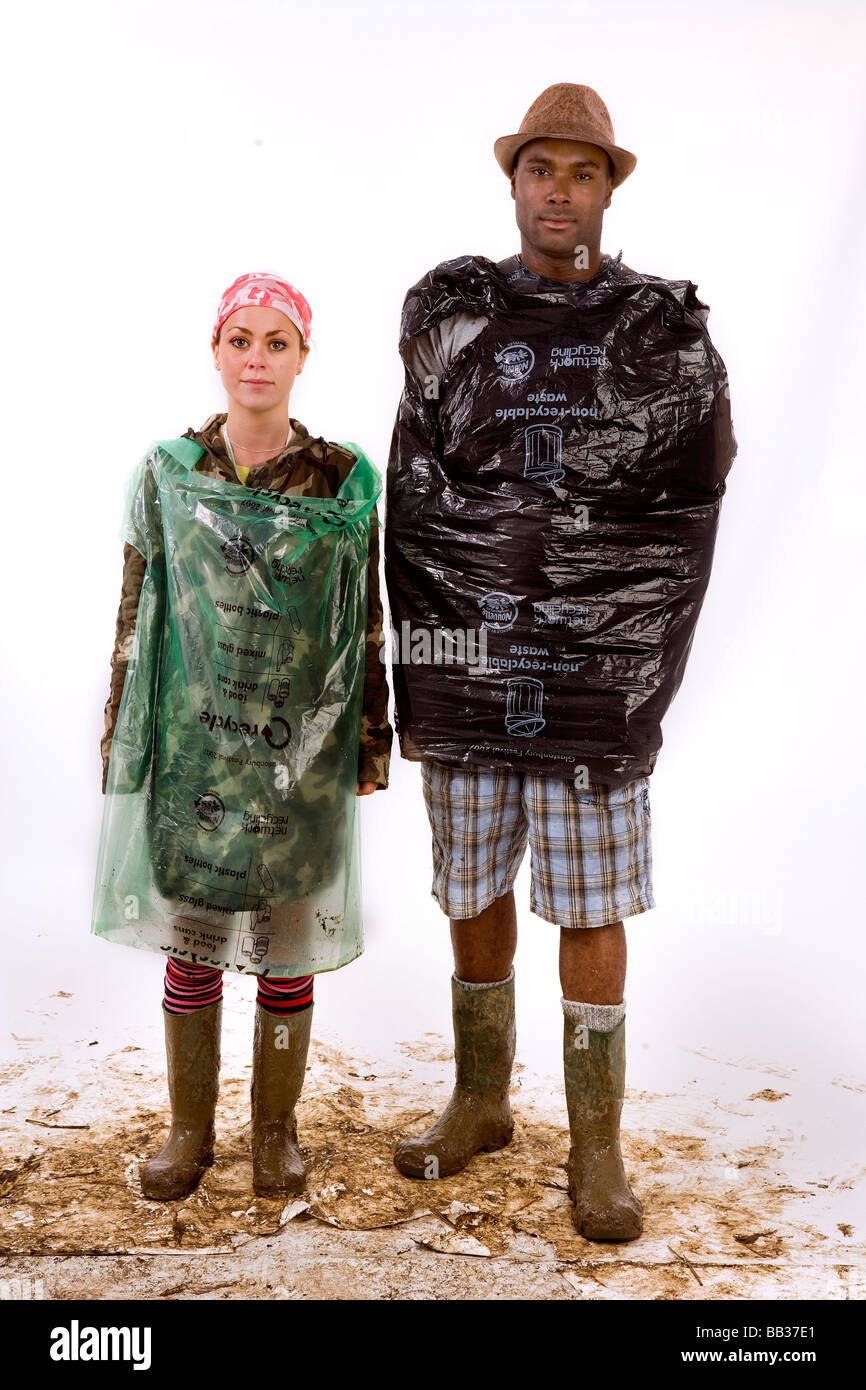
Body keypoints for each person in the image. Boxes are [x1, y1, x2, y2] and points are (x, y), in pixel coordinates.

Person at [385, 85, 736, 1240]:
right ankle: (481, 1100)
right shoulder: (460, 314)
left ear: (606, 189)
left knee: (588, 902)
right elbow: (421, 488)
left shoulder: (655, 334)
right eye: (541, 168)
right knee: (472, 883)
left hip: (592, 681)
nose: (558, 191)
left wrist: (612, 639)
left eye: (580, 173)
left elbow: (680, 499)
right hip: (472, 658)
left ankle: (595, 1149)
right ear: (514, 181)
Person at [98, 271, 392, 1201]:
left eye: (277, 341)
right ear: (215, 349)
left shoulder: (339, 480)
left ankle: (275, 1131)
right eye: (240, 338)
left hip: (294, 760)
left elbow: (364, 619)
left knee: (281, 944)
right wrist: (122, 737)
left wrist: (369, 744)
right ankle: (190, 1131)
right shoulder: (173, 471)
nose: (256, 358)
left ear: (304, 355)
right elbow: (137, 611)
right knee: (194, 941)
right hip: (196, 750)